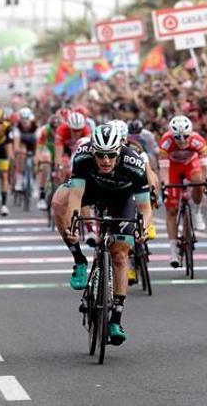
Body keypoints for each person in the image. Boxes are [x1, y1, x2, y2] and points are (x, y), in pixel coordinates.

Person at [58, 124, 154, 345]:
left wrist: (144, 228)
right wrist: (73, 225)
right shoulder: (82, 157)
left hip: (122, 199)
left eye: (111, 155)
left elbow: (145, 209)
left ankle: (115, 320)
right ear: (93, 151)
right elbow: (76, 195)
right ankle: (79, 260)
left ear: (119, 150)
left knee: (120, 255)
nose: (106, 161)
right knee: (58, 203)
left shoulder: (134, 164)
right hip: (92, 191)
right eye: (101, 155)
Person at [158, 115, 207, 267]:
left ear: (191, 133)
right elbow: (163, 170)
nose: (182, 141)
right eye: (178, 137)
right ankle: (173, 251)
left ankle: (197, 212)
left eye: (185, 137)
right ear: (171, 134)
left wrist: (206, 183)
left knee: (198, 182)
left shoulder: (198, 141)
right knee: (172, 210)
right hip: (173, 168)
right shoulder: (166, 142)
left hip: (190, 164)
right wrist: (165, 187)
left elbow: (206, 167)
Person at [54, 112, 91, 183]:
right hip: (65, 151)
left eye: (79, 130)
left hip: (78, 151)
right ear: (69, 127)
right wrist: (58, 168)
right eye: (74, 130)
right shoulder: (61, 130)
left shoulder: (86, 130)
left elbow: (88, 151)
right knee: (64, 163)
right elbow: (58, 153)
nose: (77, 133)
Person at [35, 113, 62, 210]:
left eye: (57, 128)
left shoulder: (63, 131)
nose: (55, 131)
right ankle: (42, 195)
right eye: (53, 129)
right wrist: (38, 161)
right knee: (45, 163)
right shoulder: (44, 131)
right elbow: (39, 148)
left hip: (59, 150)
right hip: (48, 150)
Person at [12, 107, 39, 194]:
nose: (24, 121)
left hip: (33, 144)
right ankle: (19, 179)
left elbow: (38, 143)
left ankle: (35, 183)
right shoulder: (17, 127)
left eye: (26, 119)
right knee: (21, 153)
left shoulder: (35, 127)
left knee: (37, 160)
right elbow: (16, 143)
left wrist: (36, 155)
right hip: (22, 143)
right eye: (23, 119)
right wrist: (17, 152)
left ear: (30, 118)